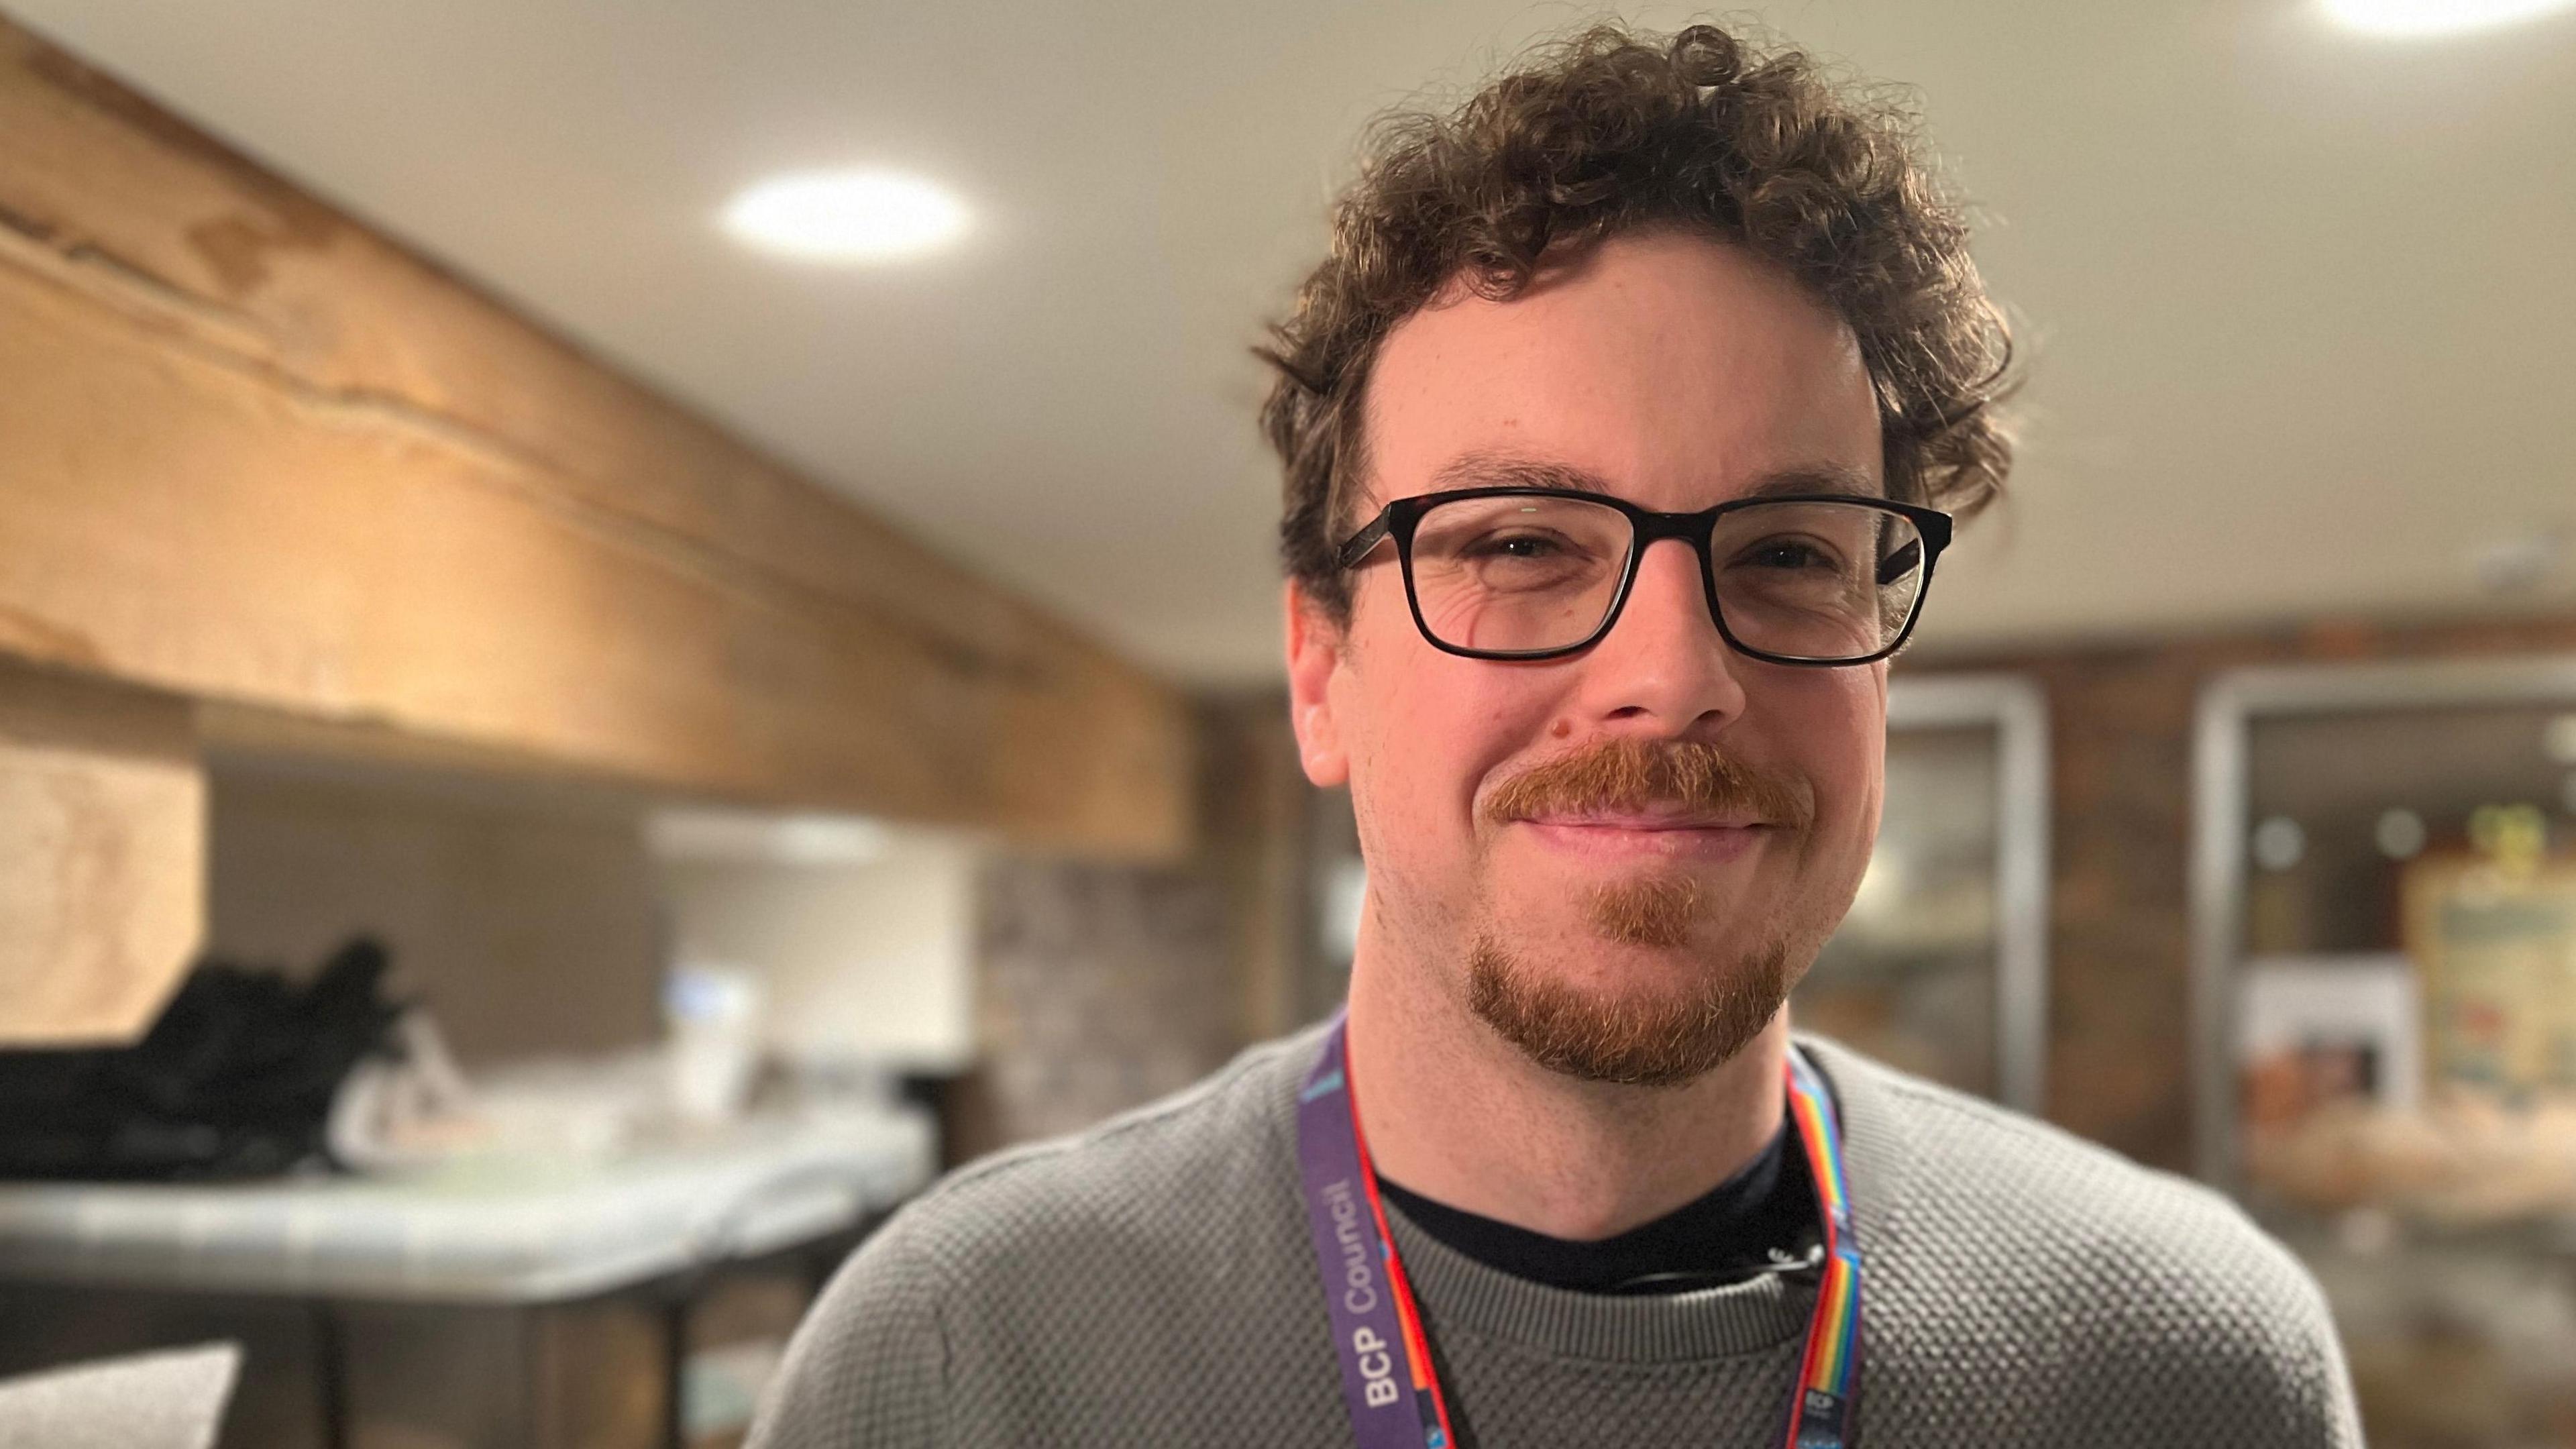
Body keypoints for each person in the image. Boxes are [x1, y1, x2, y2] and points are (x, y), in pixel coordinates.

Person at [750, 21, 2361, 1448]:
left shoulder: (2189, 1372)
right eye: (1520, 543)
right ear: (1320, 671)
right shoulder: (960, 1363)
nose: (1672, 672)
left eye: (1789, 553)